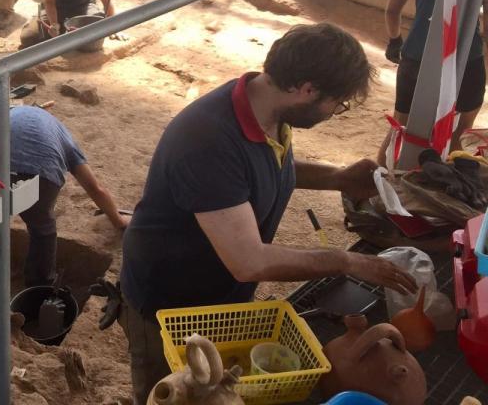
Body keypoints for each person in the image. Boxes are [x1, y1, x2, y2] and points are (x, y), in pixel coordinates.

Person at [119, 23, 418, 403]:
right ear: (307, 89)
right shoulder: (207, 139)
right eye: (336, 104)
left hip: (218, 292)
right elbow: (249, 261)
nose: (334, 112)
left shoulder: (266, 110)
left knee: (215, 387)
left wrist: (338, 178)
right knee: (174, 393)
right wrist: (345, 261)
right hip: (169, 301)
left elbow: (263, 168)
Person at [380, 0, 488, 165]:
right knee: (460, 126)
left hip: (417, 54)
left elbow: (392, 10)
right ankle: (449, 157)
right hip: (465, 57)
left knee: (400, 129)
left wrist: (395, 41)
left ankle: (374, 182)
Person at [0, 106, 127, 287]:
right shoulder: (62, 134)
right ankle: (38, 287)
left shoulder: (6, 116)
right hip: (40, 173)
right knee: (42, 230)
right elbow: (95, 188)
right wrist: (118, 220)